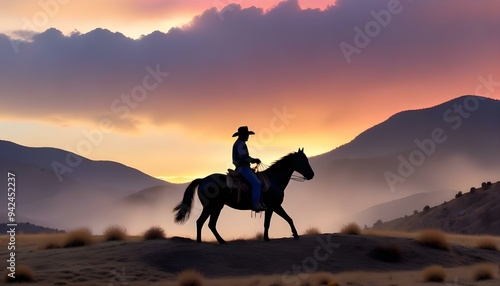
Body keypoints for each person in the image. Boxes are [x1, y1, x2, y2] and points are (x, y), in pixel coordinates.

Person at [232, 126, 266, 211]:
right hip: (243, 168)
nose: (248, 137)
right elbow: (244, 157)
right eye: (246, 135)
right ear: (242, 135)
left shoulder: (239, 143)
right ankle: (255, 205)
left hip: (242, 167)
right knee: (257, 183)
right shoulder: (240, 144)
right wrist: (253, 160)